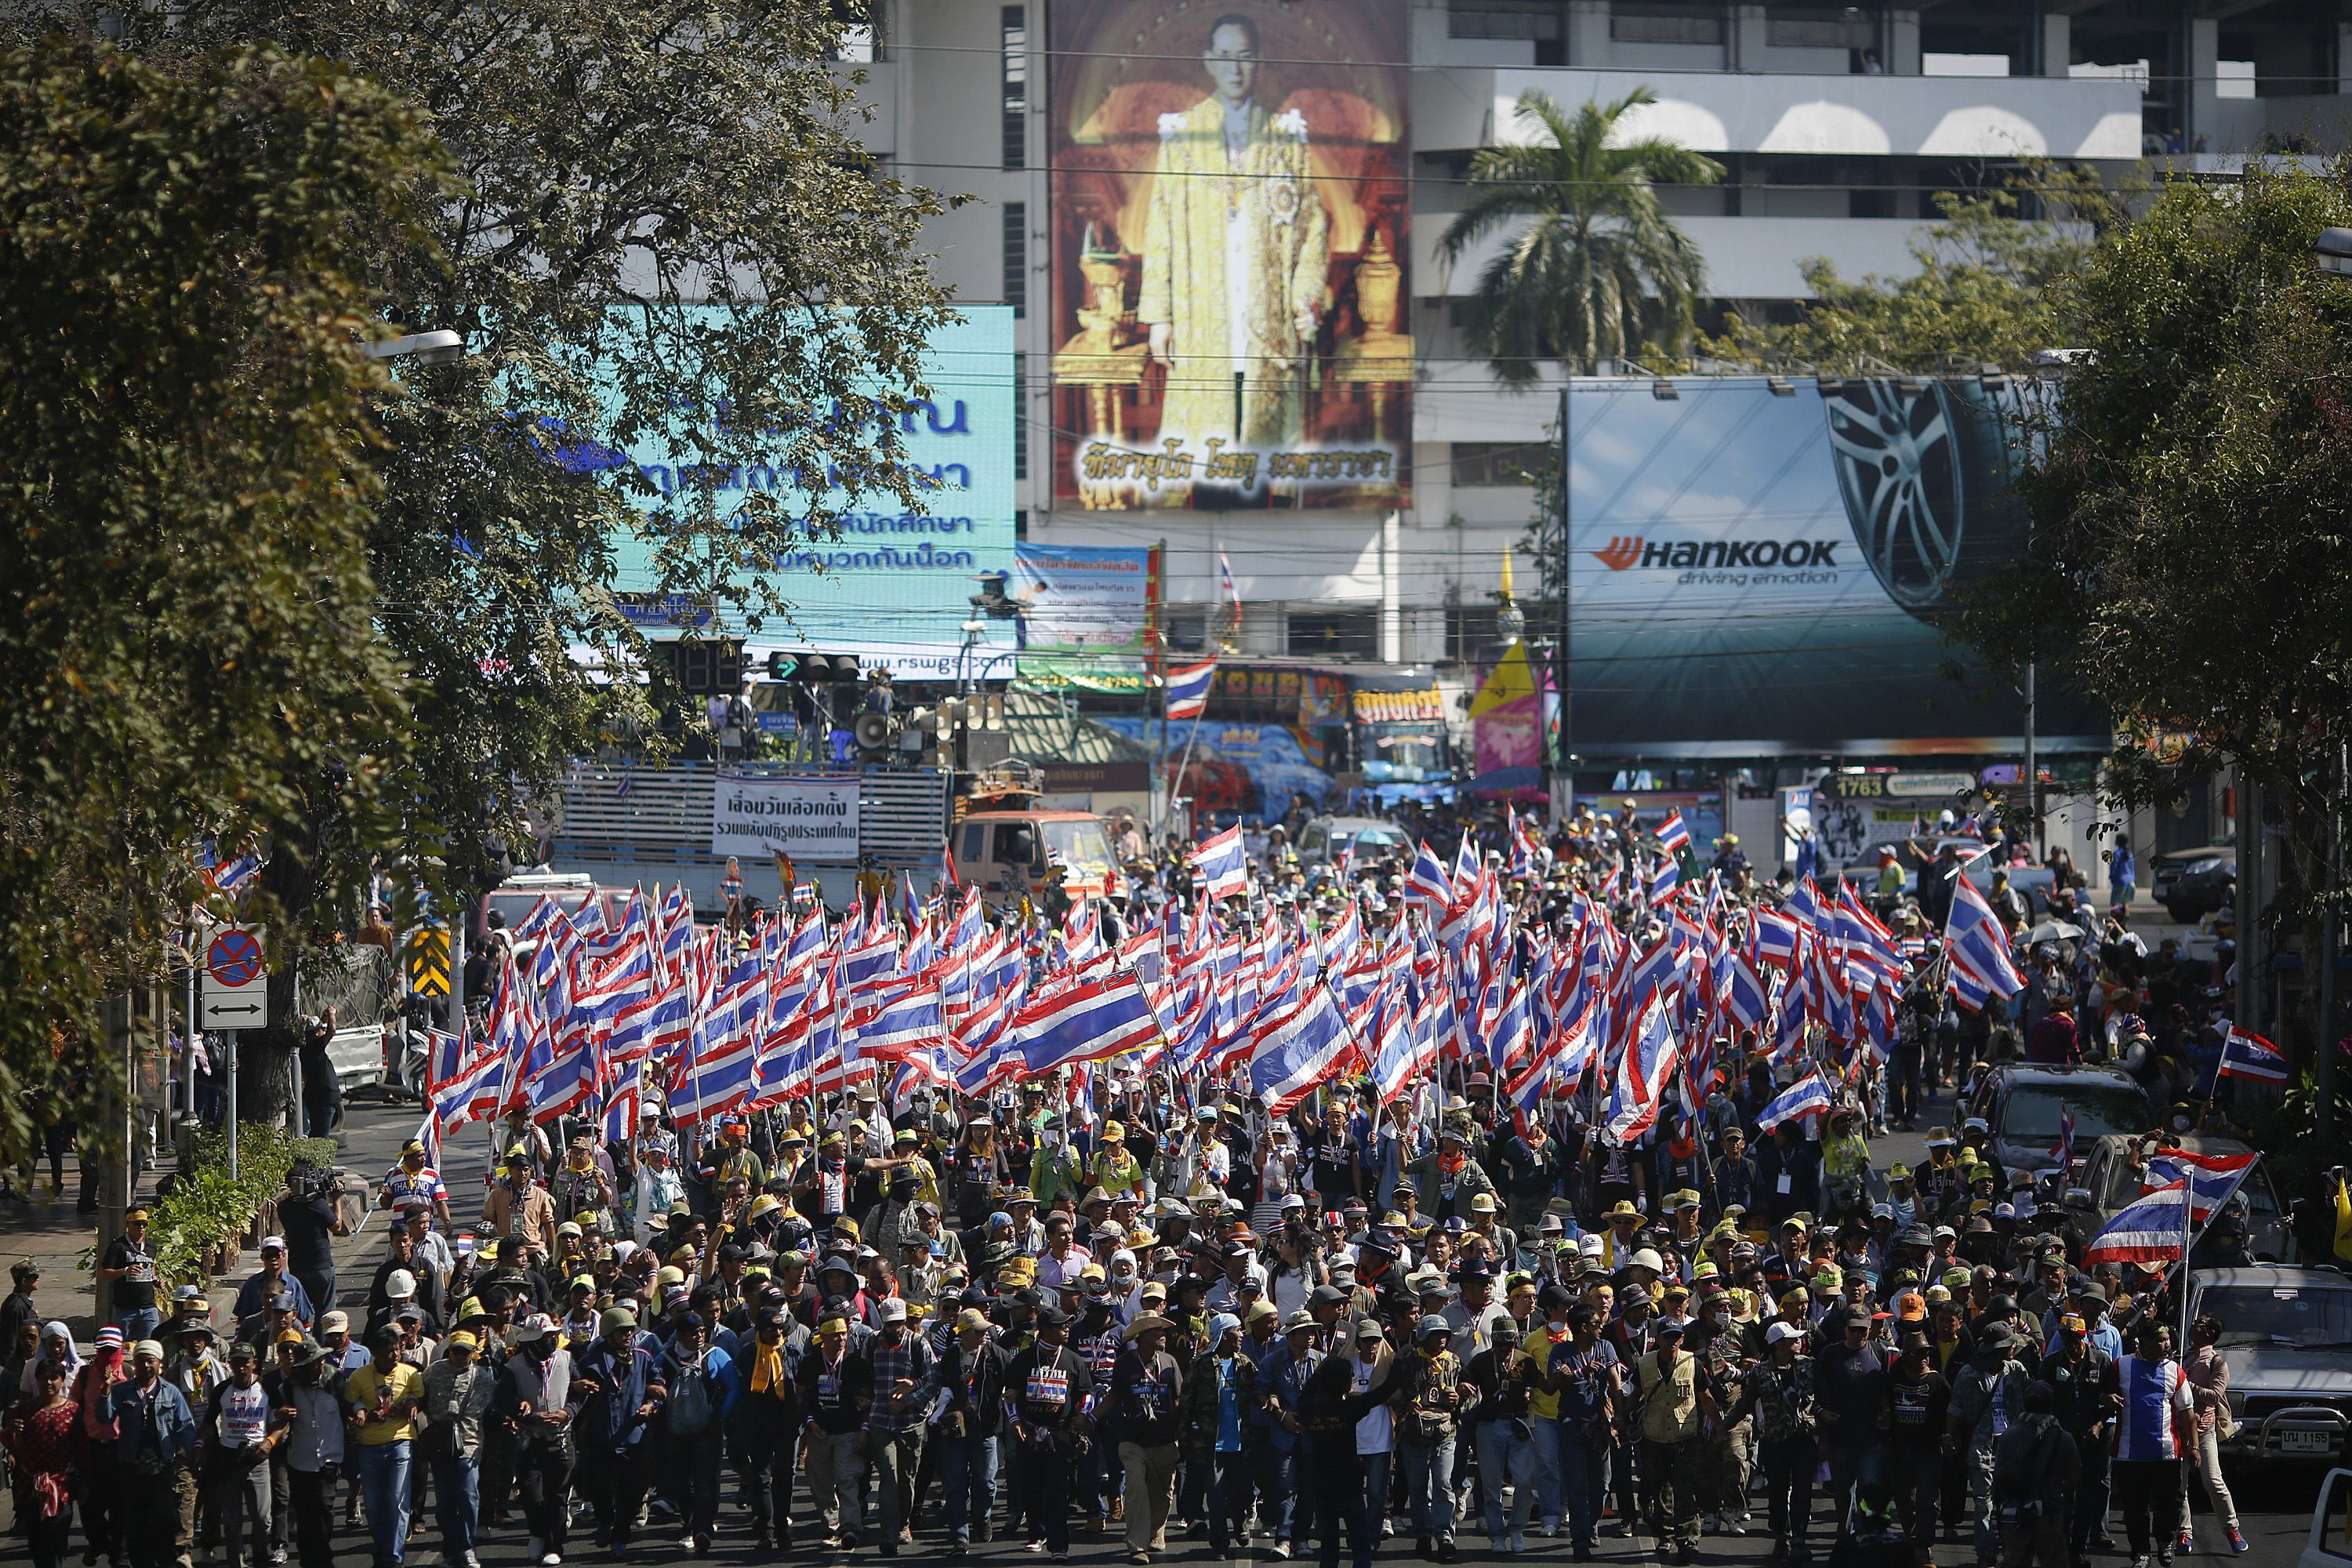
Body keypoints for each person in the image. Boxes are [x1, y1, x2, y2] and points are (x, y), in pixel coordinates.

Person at [1136, 10, 1329, 459]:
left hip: (1266, 308)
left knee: (1263, 441)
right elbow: (1160, 227)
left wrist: (1305, 299)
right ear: (1208, 61)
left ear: (1258, 61)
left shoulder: (1285, 136)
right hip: (1201, 311)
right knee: (1208, 444)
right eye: (1225, 57)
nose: (1235, 69)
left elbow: (1311, 228)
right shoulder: (1182, 137)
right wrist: (1159, 318)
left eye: (1244, 57)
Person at [1004, 1302, 1096, 1563]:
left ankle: (1059, 1545)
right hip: (1029, 1432)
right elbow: (1009, 1395)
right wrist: (1015, 1422)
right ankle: (1036, 1533)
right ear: (1044, 1329)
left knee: (1057, 1490)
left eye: (1067, 1325)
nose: (1066, 1329)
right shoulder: (1022, 1360)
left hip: (1060, 1433)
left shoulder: (1074, 1360)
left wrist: (1083, 1416)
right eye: (1060, 1326)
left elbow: (1087, 1393)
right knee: (1031, 1487)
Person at [568, 1305, 664, 1555]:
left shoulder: (643, 1357)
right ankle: (604, 1521)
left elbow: (658, 1383)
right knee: (598, 1488)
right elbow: (572, 1392)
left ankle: (621, 1534)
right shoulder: (590, 1360)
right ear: (608, 1333)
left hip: (634, 1436)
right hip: (600, 1437)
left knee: (630, 1490)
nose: (628, 1336)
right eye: (622, 1331)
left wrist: (651, 1403)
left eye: (631, 1331)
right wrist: (577, 1386)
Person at [2111, 1321, 2193, 1568]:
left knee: (2168, 1506)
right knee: (2135, 1509)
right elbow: (2102, 1394)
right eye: (2159, 1340)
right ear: (2142, 1342)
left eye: (2167, 1340)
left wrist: (2195, 1446)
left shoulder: (2175, 1371)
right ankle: (2140, 1552)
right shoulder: (2121, 1366)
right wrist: (2106, 1398)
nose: (2166, 1345)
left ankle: (2165, 1543)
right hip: (2129, 1455)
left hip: (2166, 1455)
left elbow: (2187, 1411)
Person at [498, 1314, 577, 1566]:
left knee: (558, 1495)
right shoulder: (515, 1365)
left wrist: (567, 1412)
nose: (551, 1341)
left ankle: (555, 1544)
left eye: (553, 1336)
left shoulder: (566, 1359)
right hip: (528, 1440)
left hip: (560, 1438)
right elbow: (502, 1400)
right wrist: (528, 1415)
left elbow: (580, 1391)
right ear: (532, 1341)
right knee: (532, 1495)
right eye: (545, 1338)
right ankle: (538, 1533)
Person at [113, 1337, 198, 1568]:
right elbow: (104, 1417)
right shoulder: (120, 1392)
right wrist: (103, 1394)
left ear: (159, 1363)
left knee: (162, 1521)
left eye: (151, 1361)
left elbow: (186, 1427)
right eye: (141, 1362)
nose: (146, 1366)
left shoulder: (171, 1393)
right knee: (135, 1523)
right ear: (134, 1365)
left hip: (162, 1467)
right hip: (131, 1466)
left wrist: (190, 1456)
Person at [199, 1341, 280, 1568]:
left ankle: (260, 1550)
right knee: (231, 1520)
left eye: (245, 1362)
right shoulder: (222, 1390)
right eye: (236, 1362)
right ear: (230, 1364)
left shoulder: (267, 1388)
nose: (241, 1366)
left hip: (257, 1459)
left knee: (263, 1518)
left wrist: (270, 1442)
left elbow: (284, 1421)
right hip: (229, 1459)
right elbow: (208, 1422)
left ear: (254, 1363)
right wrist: (199, 1445)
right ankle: (238, 1563)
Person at [1114, 1312, 1185, 1565]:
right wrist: (1090, 1419)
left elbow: (1178, 1400)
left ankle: (1156, 1532)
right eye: (1156, 1331)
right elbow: (1114, 1397)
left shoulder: (1170, 1362)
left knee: (1163, 1492)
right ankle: (1137, 1545)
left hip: (1164, 1438)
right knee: (1135, 1488)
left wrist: (1184, 1432)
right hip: (1132, 1439)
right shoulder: (1124, 1364)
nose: (1162, 1335)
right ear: (1143, 1336)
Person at [800, 1307, 871, 1550]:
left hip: (848, 1432)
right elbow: (802, 1398)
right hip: (819, 1432)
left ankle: (850, 1527)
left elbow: (867, 1402)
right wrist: (809, 1422)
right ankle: (831, 1525)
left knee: (847, 1479)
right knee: (820, 1483)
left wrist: (863, 1430)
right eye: (834, 1335)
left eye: (843, 1334)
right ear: (823, 1338)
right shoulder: (809, 1363)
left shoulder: (857, 1364)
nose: (840, 1339)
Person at [1990, 1381, 2079, 1568]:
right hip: (2050, 1513)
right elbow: (2075, 1479)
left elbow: (1998, 1478)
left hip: (2016, 1514)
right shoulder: (2063, 1438)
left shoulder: (2009, 1435)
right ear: (2052, 1405)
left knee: (2015, 1561)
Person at [4, 1356, 82, 1568]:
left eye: (53, 1378)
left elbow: (82, 1447)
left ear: (62, 1380)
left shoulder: (73, 1412)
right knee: (36, 1542)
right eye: (43, 1378)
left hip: (62, 1487)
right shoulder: (24, 1410)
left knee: (57, 1539)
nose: (48, 1383)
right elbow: (10, 1443)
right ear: (36, 1381)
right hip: (30, 1486)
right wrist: (12, 1433)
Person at [2180, 1314, 2249, 1554]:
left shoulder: (2217, 1362)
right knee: (2179, 1486)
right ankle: (2184, 1533)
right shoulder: (2182, 1356)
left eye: (2198, 1325)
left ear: (2209, 1333)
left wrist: (2187, 1386)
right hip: (2178, 1431)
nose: (2191, 1327)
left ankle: (2231, 1528)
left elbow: (2215, 1396)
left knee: (2213, 1481)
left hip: (2204, 1430)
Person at [99, 1207, 165, 1343]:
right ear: (127, 1224)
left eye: (145, 1224)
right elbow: (103, 1274)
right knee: (123, 1348)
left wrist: (156, 1280)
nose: (141, 1227)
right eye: (137, 1223)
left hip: (148, 1308)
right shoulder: (118, 1247)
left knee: (149, 1347)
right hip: (125, 1309)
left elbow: (152, 1268)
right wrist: (124, 1271)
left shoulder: (151, 1247)